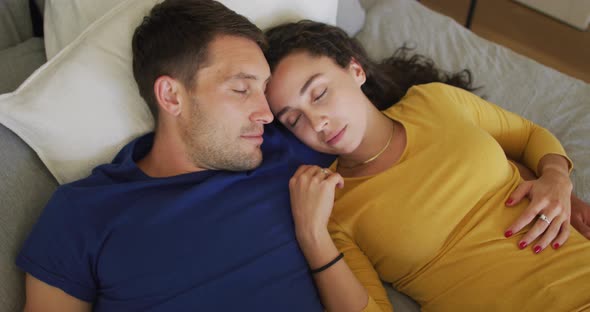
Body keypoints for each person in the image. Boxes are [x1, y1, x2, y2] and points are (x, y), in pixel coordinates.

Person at [16, 1, 334, 311]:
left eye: (264, 90)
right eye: (240, 89)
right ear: (171, 96)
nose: (266, 113)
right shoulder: (83, 214)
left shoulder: (288, 148)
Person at [263, 20, 590, 311]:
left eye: (319, 94)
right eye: (294, 120)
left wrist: (557, 177)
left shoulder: (434, 101)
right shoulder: (333, 204)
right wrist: (312, 235)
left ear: (356, 70)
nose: (317, 122)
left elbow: (529, 136)